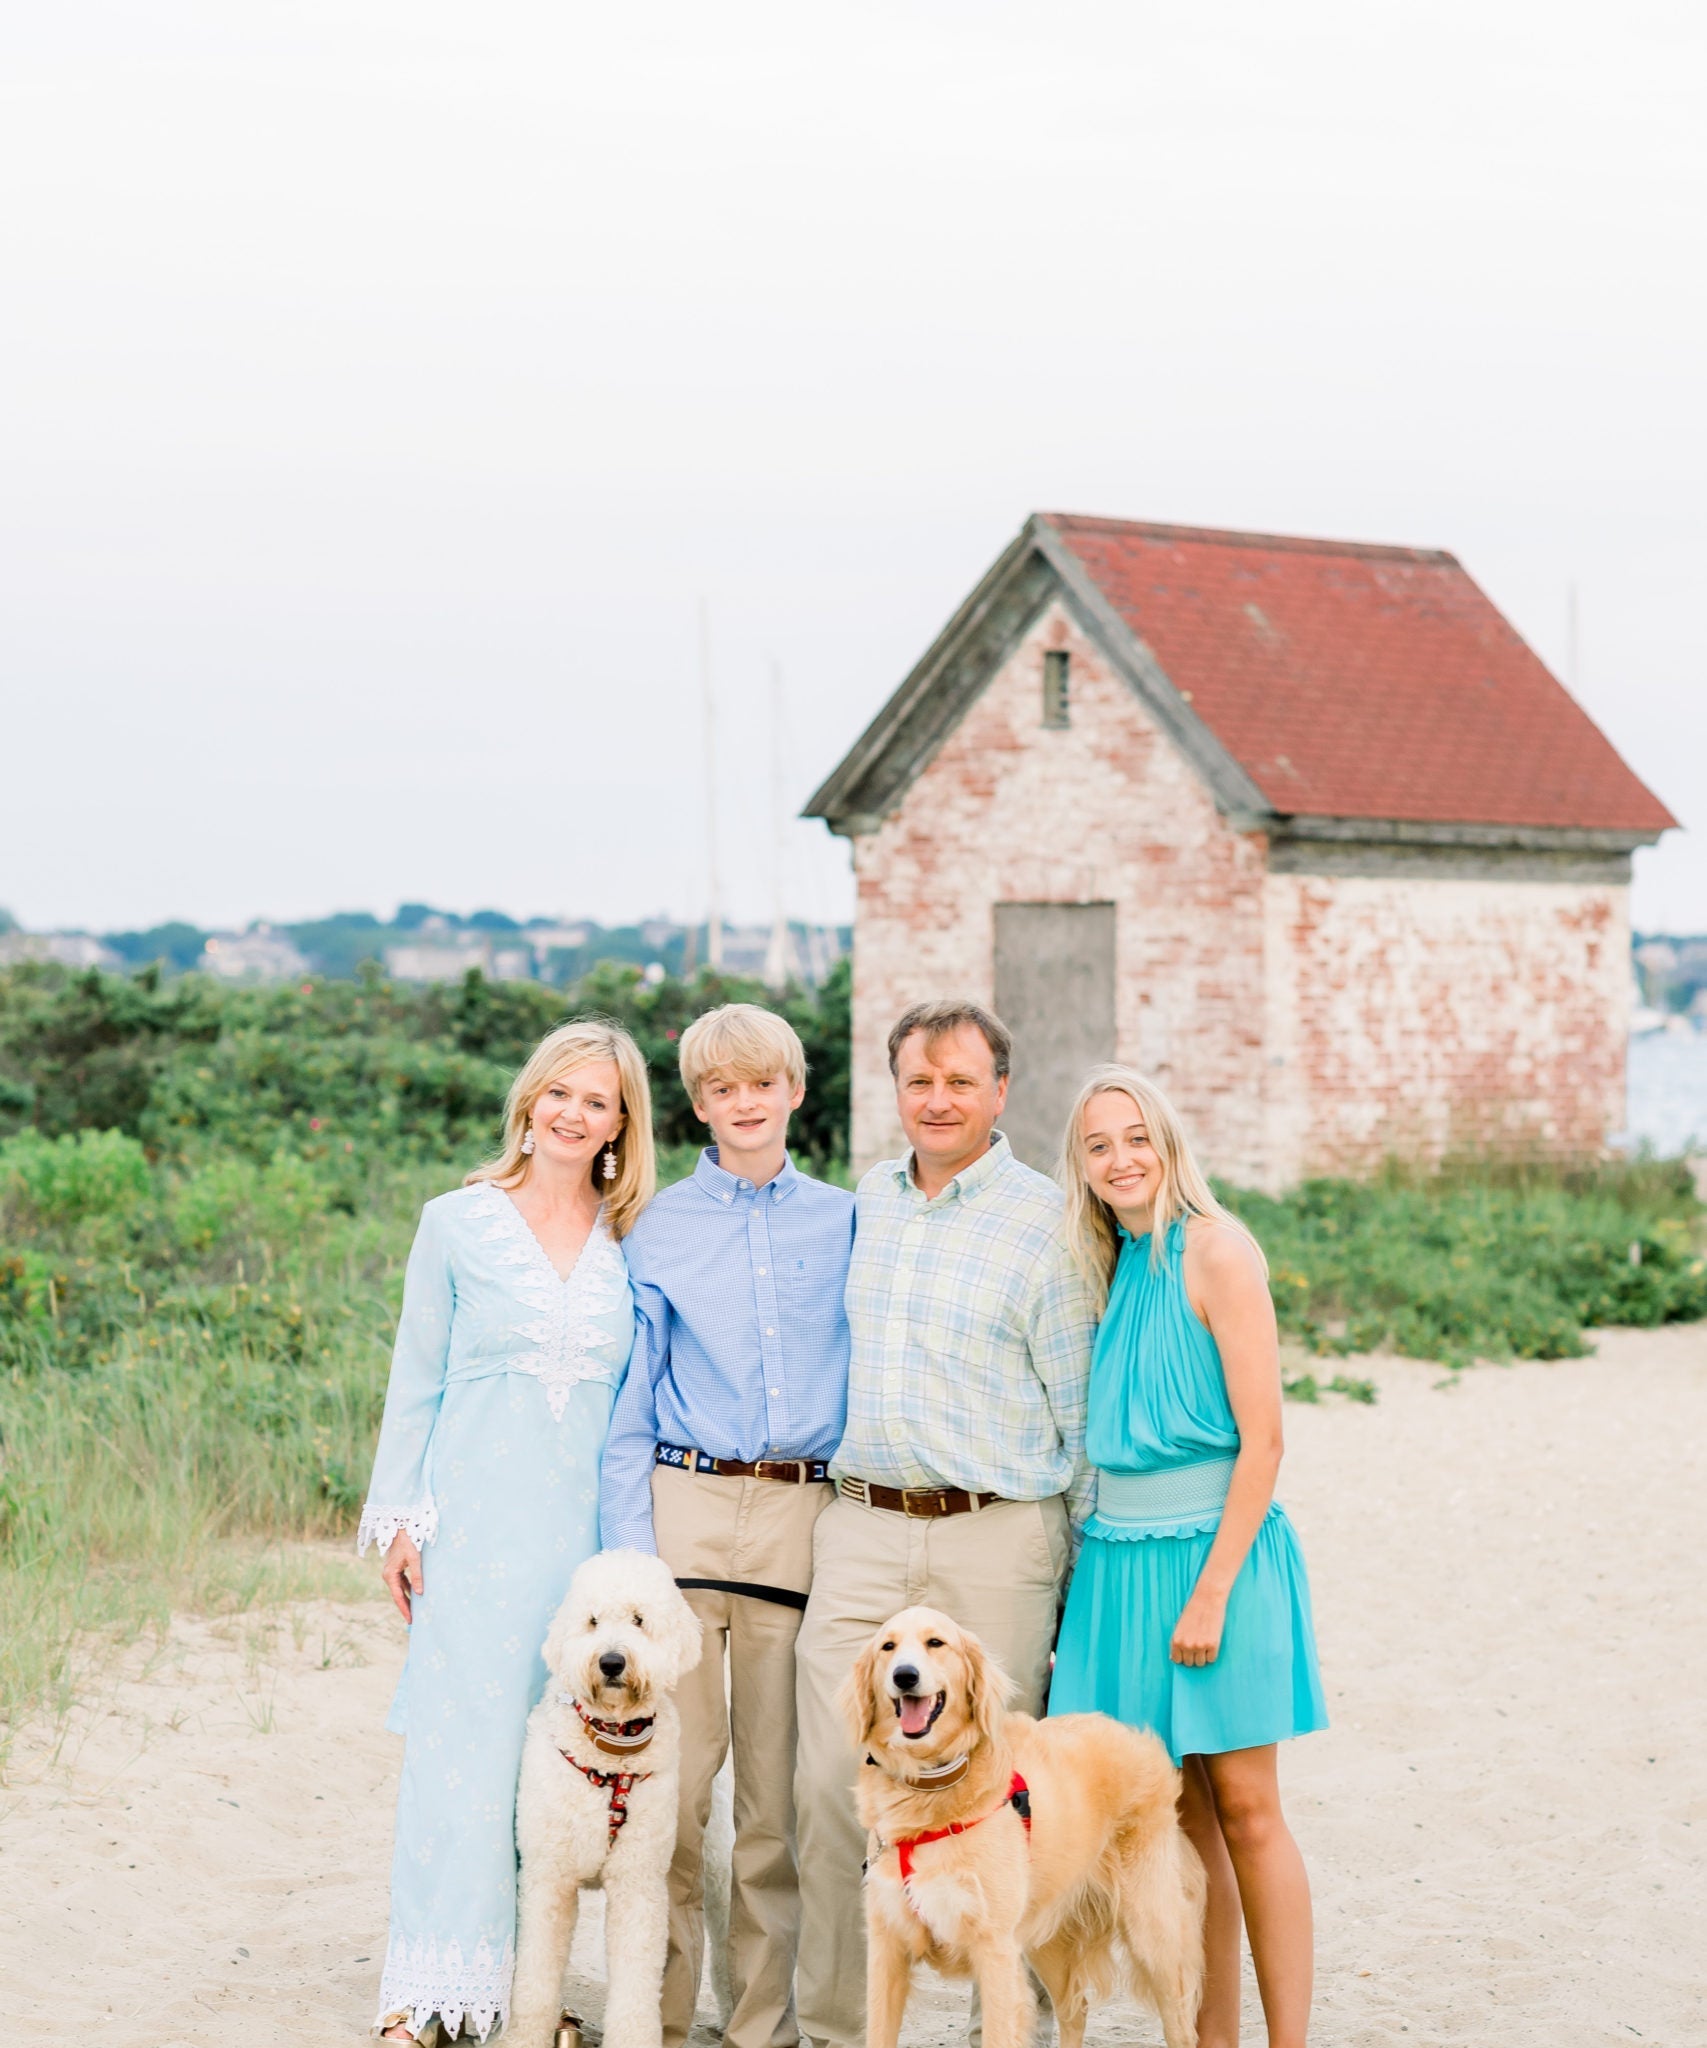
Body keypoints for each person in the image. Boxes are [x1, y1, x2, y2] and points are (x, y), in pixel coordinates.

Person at [792, 998, 1097, 2048]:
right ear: (896, 1088)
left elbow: (1080, 1417)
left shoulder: (1047, 1221)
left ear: (1000, 1091)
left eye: (961, 1081)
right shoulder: (864, 1204)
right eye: (919, 1080)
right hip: (863, 1527)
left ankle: (998, 2032)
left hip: (996, 1532)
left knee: (996, 1795)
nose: (938, 1100)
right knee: (832, 1781)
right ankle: (839, 2029)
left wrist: (1075, 1577)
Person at [361, 1019, 655, 2045]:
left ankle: (528, 1998)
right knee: (462, 1754)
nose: (573, 1113)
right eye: (558, 1092)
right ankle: (424, 1993)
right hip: (473, 1531)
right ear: (529, 1102)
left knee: (557, 1775)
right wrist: (401, 1519)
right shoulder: (456, 1222)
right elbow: (415, 1375)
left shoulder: (632, 1240)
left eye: (597, 1100)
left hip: (585, 1550)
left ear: (621, 1124)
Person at [1048, 1065, 1327, 2048]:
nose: (1120, 1158)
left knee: (1247, 1808)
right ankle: (1212, 2039)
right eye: (1098, 1145)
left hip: (1218, 1560)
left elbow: (1265, 1441)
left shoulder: (1218, 1249)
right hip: (1118, 1566)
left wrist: (1210, 1593)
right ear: (1081, 1166)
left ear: (1168, 1145)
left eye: (1137, 1137)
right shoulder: (1113, 1263)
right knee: (1180, 1820)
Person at [601, 1002, 854, 2048]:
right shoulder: (653, 1226)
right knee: (671, 1790)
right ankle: (655, 2020)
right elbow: (631, 1401)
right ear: (697, 1104)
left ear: (794, 1089)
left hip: (802, 1517)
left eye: (760, 1083)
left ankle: (760, 2025)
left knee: (775, 1801)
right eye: (720, 1088)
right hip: (686, 1512)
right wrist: (631, 1561)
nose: (743, 1102)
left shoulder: (849, 1220)